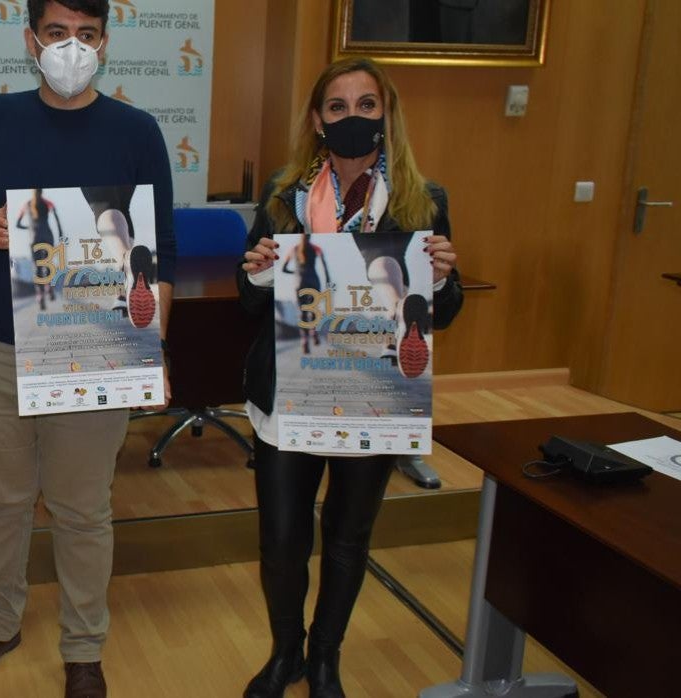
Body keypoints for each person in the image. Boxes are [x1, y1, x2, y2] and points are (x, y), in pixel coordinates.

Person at [0, 2, 176, 696]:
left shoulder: (138, 133)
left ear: (105, 42)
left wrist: (155, 351)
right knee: (3, 501)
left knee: (82, 508)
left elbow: (159, 258)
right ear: (30, 41)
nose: (71, 46)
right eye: (56, 32)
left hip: (96, 347)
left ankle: (82, 646)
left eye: (87, 34)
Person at [237, 57, 463, 698]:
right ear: (318, 119)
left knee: (347, 535)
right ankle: (287, 654)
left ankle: (327, 655)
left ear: (386, 116)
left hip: (374, 394)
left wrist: (441, 277)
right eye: (338, 107)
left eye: (368, 106)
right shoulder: (284, 195)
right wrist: (256, 269)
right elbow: (249, 299)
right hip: (290, 393)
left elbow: (442, 312)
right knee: (282, 540)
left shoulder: (425, 201)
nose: (353, 119)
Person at [278, 237, 330, 354]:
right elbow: (325, 266)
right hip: (313, 281)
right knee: (313, 309)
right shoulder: (316, 248)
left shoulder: (294, 249)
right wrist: (328, 281)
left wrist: (296, 272)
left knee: (302, 312)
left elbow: (283, 269)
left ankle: (304, 340)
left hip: (299, 281)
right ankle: (313, 331)